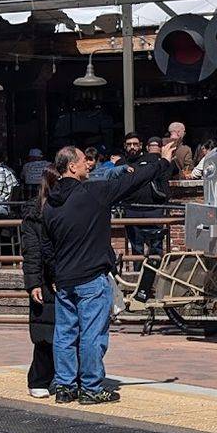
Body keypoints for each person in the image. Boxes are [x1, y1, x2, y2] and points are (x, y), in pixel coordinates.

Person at [42, 139, 175, 404]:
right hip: (91, 276)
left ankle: (66, 386)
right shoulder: (93, 193)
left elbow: (47, 247)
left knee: (65, 333)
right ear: (71, 167)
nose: (88, 165)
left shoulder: (50, 206)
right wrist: (162, 161)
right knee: (92, 334)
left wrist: (55, 274)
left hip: (65, 280)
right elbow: (132, 181)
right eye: (83, 161)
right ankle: (91, 387)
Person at [21, 166, 59, 399]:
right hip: (46, 279)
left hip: (64, 276)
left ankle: (60, 377)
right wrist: (34, 282)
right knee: (46, 331)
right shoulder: (34, 215)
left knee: (64, 331)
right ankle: (40, 378)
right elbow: (32, 252)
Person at [116, 132, 166, 265]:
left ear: (141, 146)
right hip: (131, 209)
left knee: (156, 247)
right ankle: (138, 277)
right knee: (136, 248)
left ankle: (157, 277)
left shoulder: (152, 159)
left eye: (135, 144)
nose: (132, 147)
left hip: (153, 208)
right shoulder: (120, 164)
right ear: (124, 146)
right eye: (129, 144)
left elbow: (168, 172)